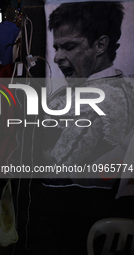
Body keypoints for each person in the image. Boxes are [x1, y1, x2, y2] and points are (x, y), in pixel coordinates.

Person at [43, 2, 134, 186]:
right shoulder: (125, 83)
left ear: (100, 45)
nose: (57, 57)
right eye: (56, 48)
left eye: (69, 46)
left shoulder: (90, 104)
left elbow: (54, 172)